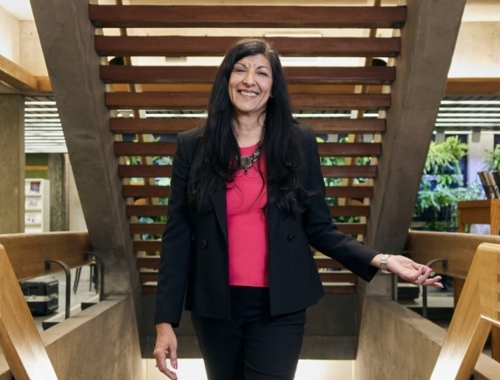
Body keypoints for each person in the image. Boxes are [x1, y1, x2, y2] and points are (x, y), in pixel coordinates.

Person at [153, 38, 442, 380]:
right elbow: (176, 237)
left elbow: (318, 227)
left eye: (262, 72)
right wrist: (164, 323)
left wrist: (382, 260)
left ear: (273, 88)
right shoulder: (193, 146)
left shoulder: (298, 142)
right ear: (226, 80)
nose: (250, 80)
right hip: (216, 306)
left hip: (281, 305)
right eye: (241, 69)